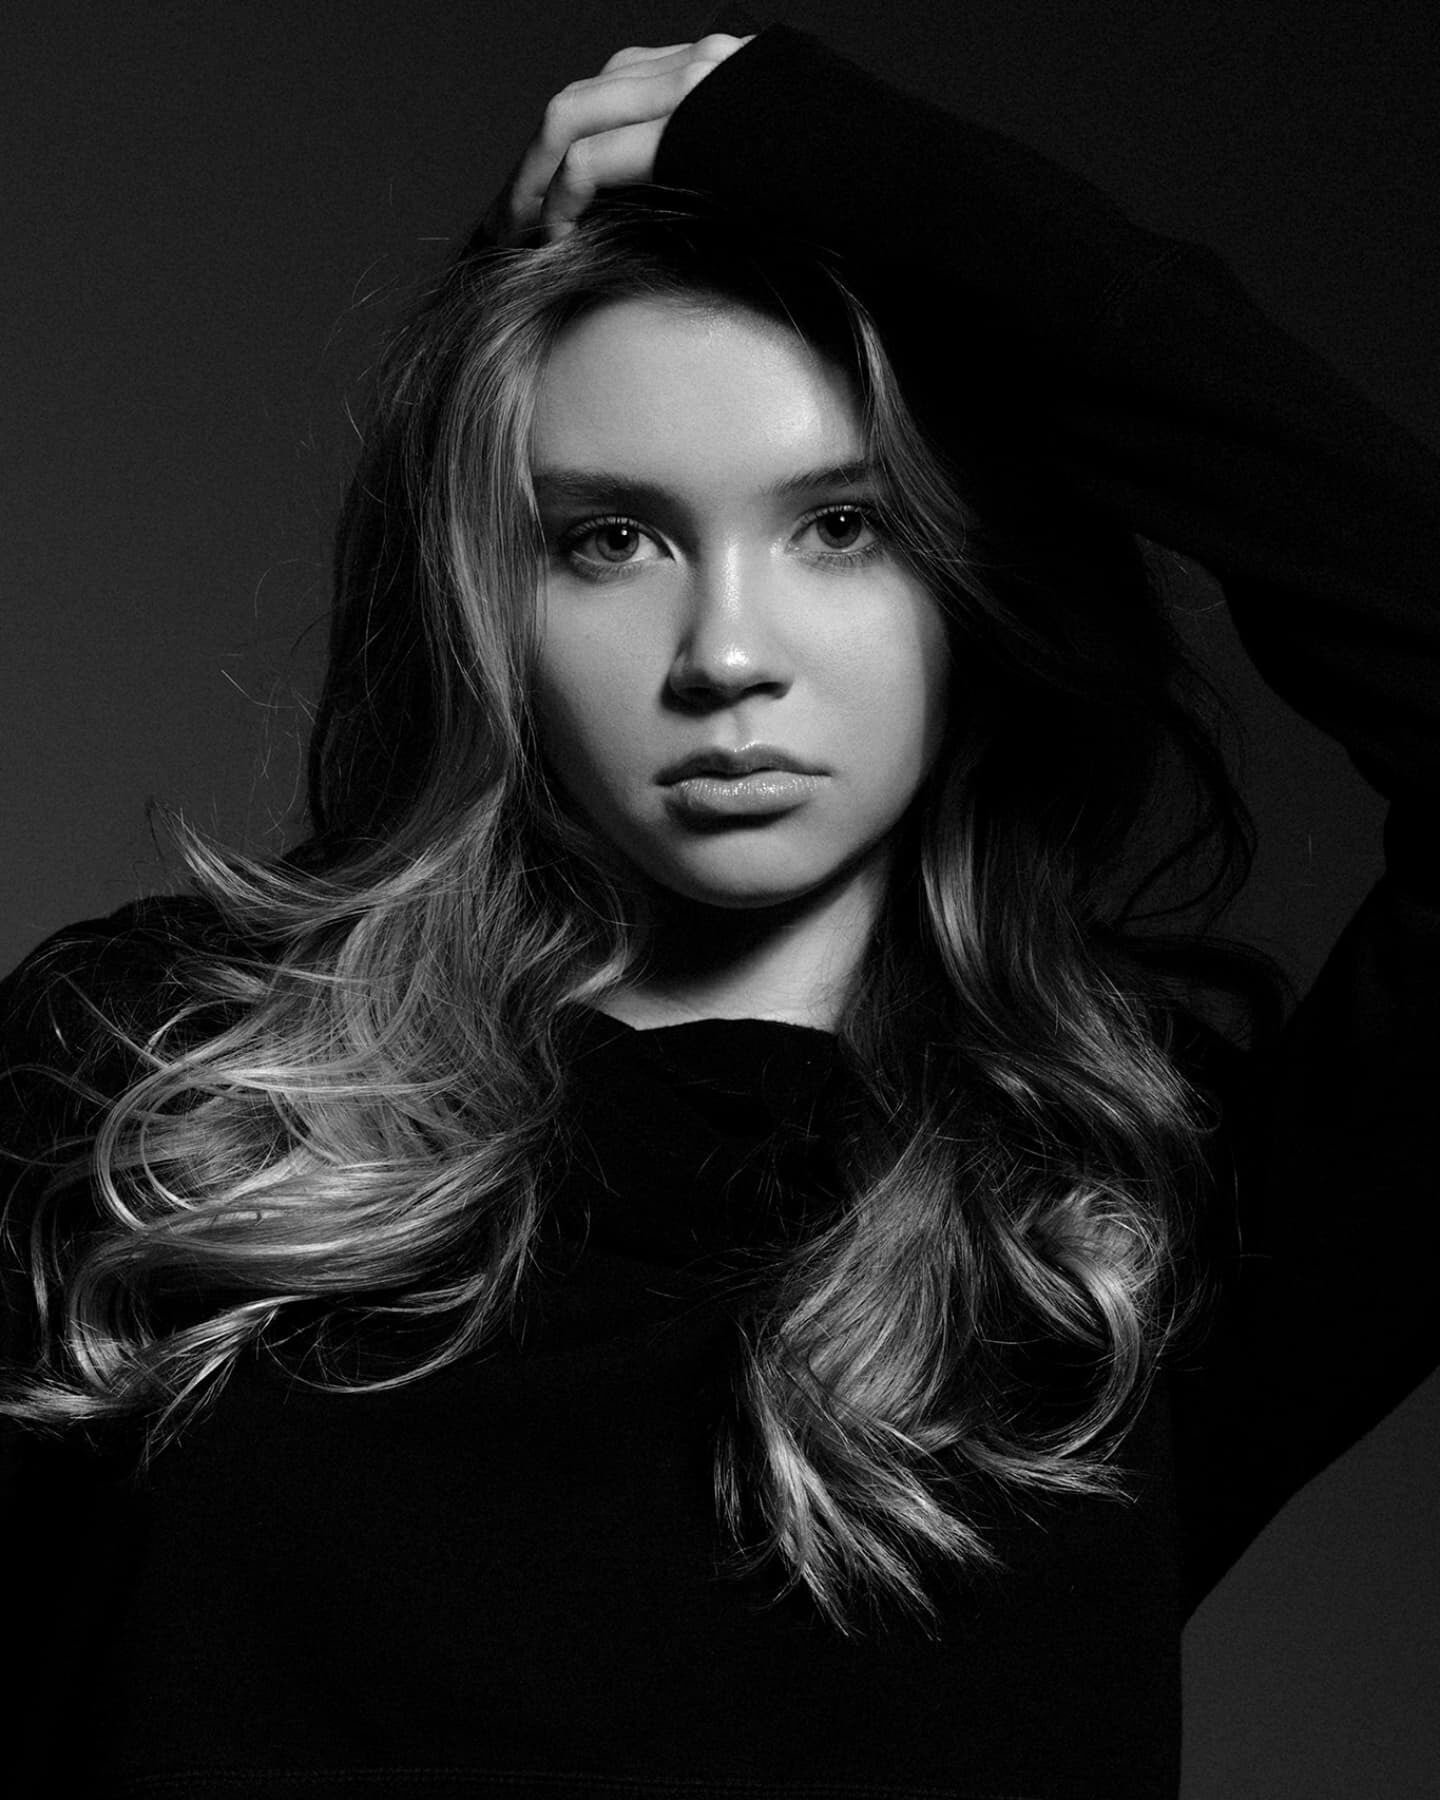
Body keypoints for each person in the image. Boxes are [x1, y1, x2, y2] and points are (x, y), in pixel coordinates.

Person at [2, 15, 1437, 1799]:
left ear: (979, 579)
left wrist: (899, 188)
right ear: (488, 603)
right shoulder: (168, 1094)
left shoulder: (1128, 1236)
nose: (727, 655)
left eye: (844, 526)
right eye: (610, 540)